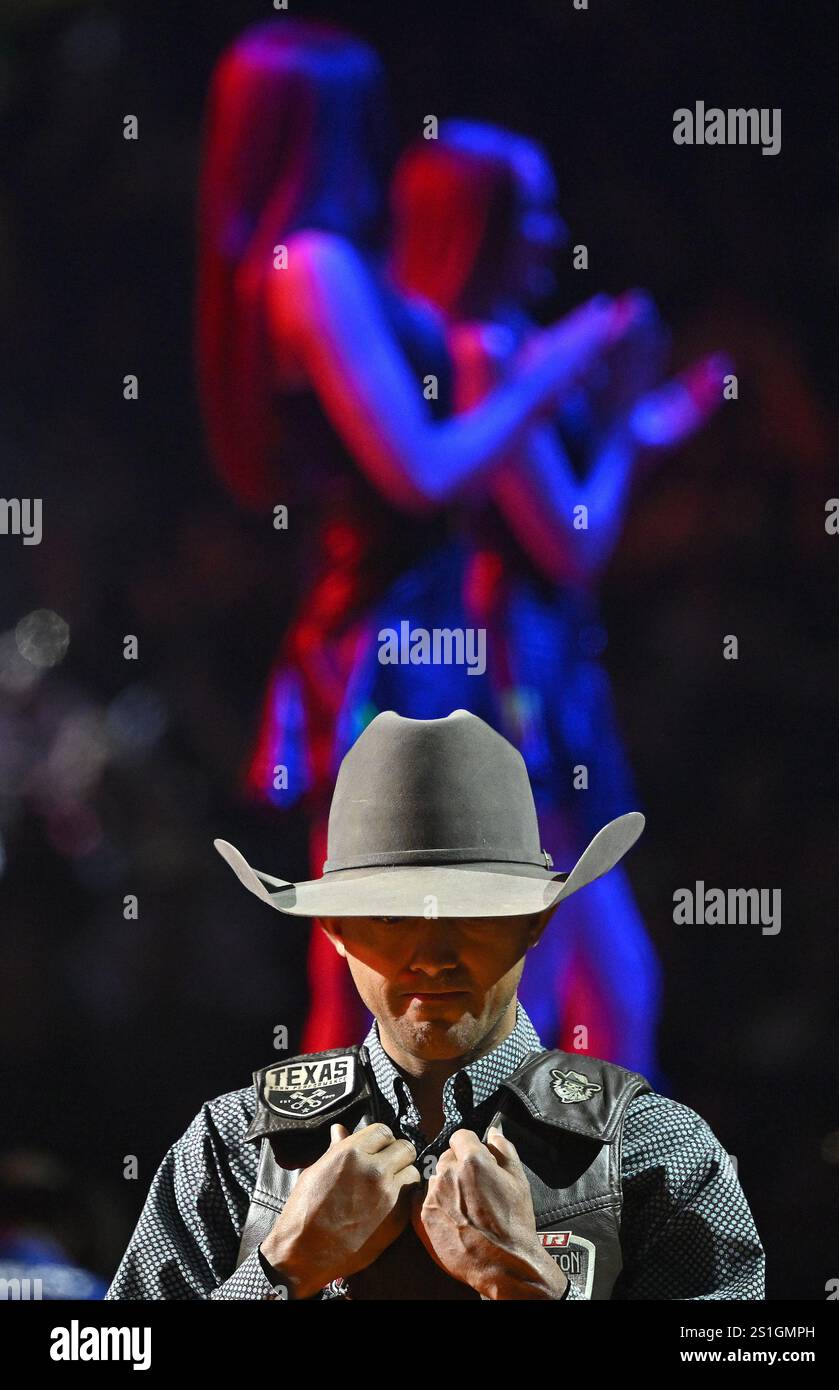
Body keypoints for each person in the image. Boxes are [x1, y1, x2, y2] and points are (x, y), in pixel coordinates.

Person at [194, 19, 643, 1060]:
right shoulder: (312, 265)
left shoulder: (300, 265)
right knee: (385, 993)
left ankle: (330, 1217)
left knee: (381, 984)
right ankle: (328, 1218)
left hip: (402, 638)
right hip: (389, 648)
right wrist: (553, 368)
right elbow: (423, 469)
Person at [105, 710, 765, 1300]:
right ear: (334, 929)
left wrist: (533, 1285)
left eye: (471, 913)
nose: (432, 954)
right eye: (392, 916)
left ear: (535, 921)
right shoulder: (233, 1149)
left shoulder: (655, 1151)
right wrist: (281, 1268)